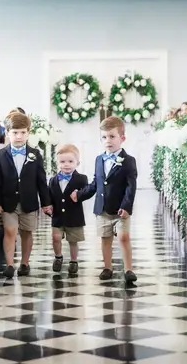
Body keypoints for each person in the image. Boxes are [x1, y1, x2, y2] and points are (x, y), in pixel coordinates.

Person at [71, 115, 138, 283]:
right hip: (102, 208)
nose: (108, 140)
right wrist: (79, 195)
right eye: (104, 137)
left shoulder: (129, 161)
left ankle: (128, 269)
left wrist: (127, 206)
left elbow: (131, 186)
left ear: (122, 138)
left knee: (124, 237)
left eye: (112, 136)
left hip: (121, 208)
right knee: (105, 238)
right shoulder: (99, 159)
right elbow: (96, 183)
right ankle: (107, 267)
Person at [0, 112, 52, 279]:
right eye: (15, 133)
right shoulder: (1, 154)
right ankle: (10, 264)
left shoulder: (35, 154)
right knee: (10, 231)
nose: (19, 136)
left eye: (23, 132)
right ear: (7, 132)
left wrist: (46, 202)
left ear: (28, 132)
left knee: (26, 232)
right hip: (8, 201)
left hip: (29, 200)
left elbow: (41, 180)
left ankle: (24, 262)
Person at [49, 144, 88, 274]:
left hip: (74, 216)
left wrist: (80, 194)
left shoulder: (81, 179)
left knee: (73, 240)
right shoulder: (53, 180)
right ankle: (58, 257)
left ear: (77, 162)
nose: (66, 164)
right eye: (62, 161)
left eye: (70, 161)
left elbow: (87, 192)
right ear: (57, 163)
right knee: (55, 238)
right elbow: (50, 195)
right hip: (57, 215)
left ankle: (73, 261)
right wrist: (47, 205)